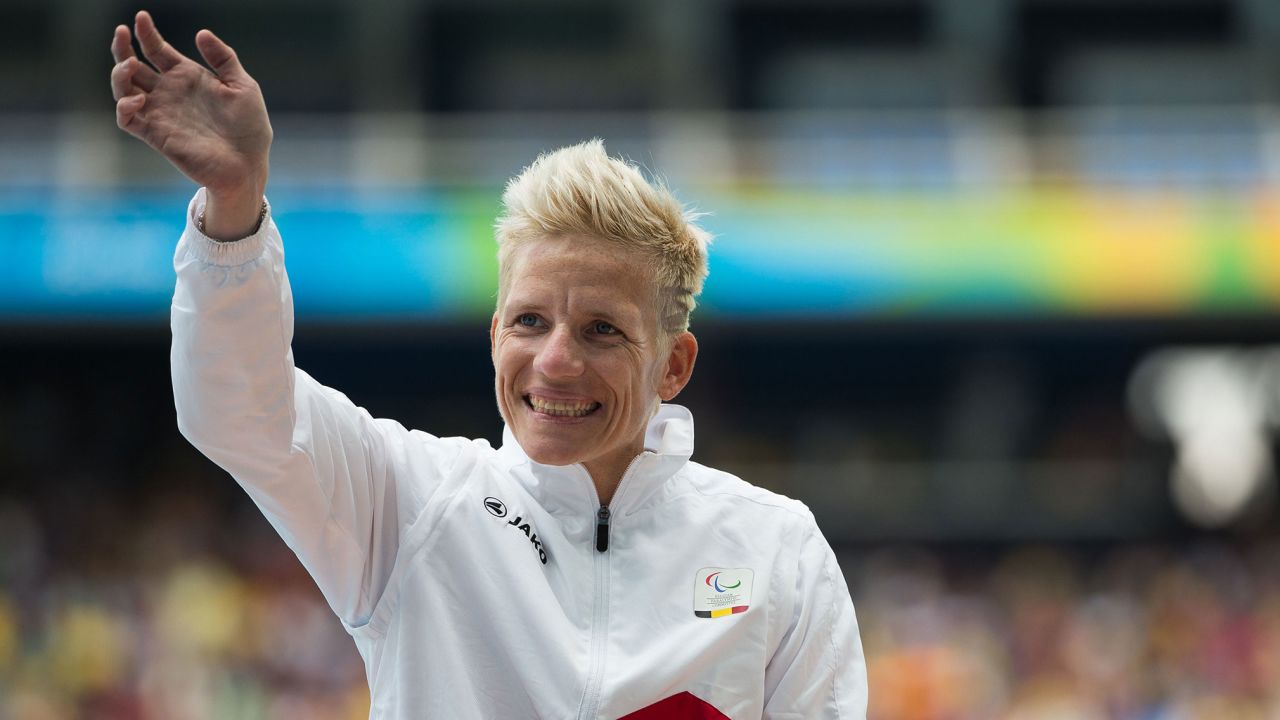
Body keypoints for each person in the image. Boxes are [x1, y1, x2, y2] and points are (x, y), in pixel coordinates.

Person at [110, 10, 867, 718]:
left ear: (674, 366)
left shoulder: (776, 548)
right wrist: (233, 205)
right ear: (494, 333)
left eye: (602, 330)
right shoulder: (411, 502)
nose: (556, 361)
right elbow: (239, 411)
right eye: (530, 322)